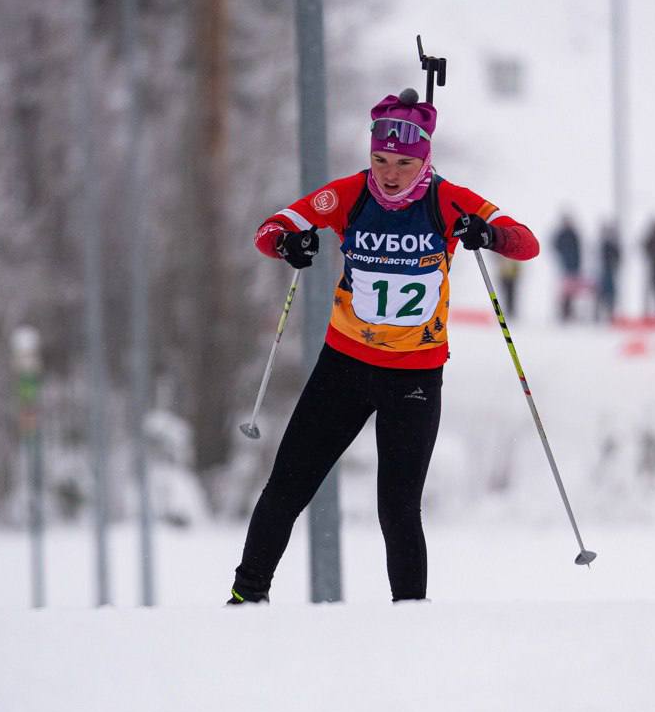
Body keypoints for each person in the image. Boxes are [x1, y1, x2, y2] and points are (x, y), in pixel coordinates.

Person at [228, 88, 540, 604]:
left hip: (414, 377)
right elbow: (271, 228)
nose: (390, 173)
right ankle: (245, 598)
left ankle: (410, 617)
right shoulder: (351, 194)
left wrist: (485, 233)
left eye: (403, 162)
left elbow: (524, 242)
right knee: (287, 486)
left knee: (397, 509)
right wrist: (289, 243)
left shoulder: (448, 198)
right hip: (344, 367)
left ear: (424, 160)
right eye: (379, 160)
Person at [551, 213, 581, 322]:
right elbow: (555, 246)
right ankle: (563, 312)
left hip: (573, 268)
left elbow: (579, 251)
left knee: (572, 292)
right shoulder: (561, 234)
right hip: (563, 267)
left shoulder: (574, 234)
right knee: (564, 292)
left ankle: (570, 312)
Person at [594, 221, 621, 322]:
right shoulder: (601, 244)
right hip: (601, 273)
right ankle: (598, 315)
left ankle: (610, 314)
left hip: (610, 272)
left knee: (610, 294)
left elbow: (618, 257)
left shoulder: (613, 245)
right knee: (600, 294)